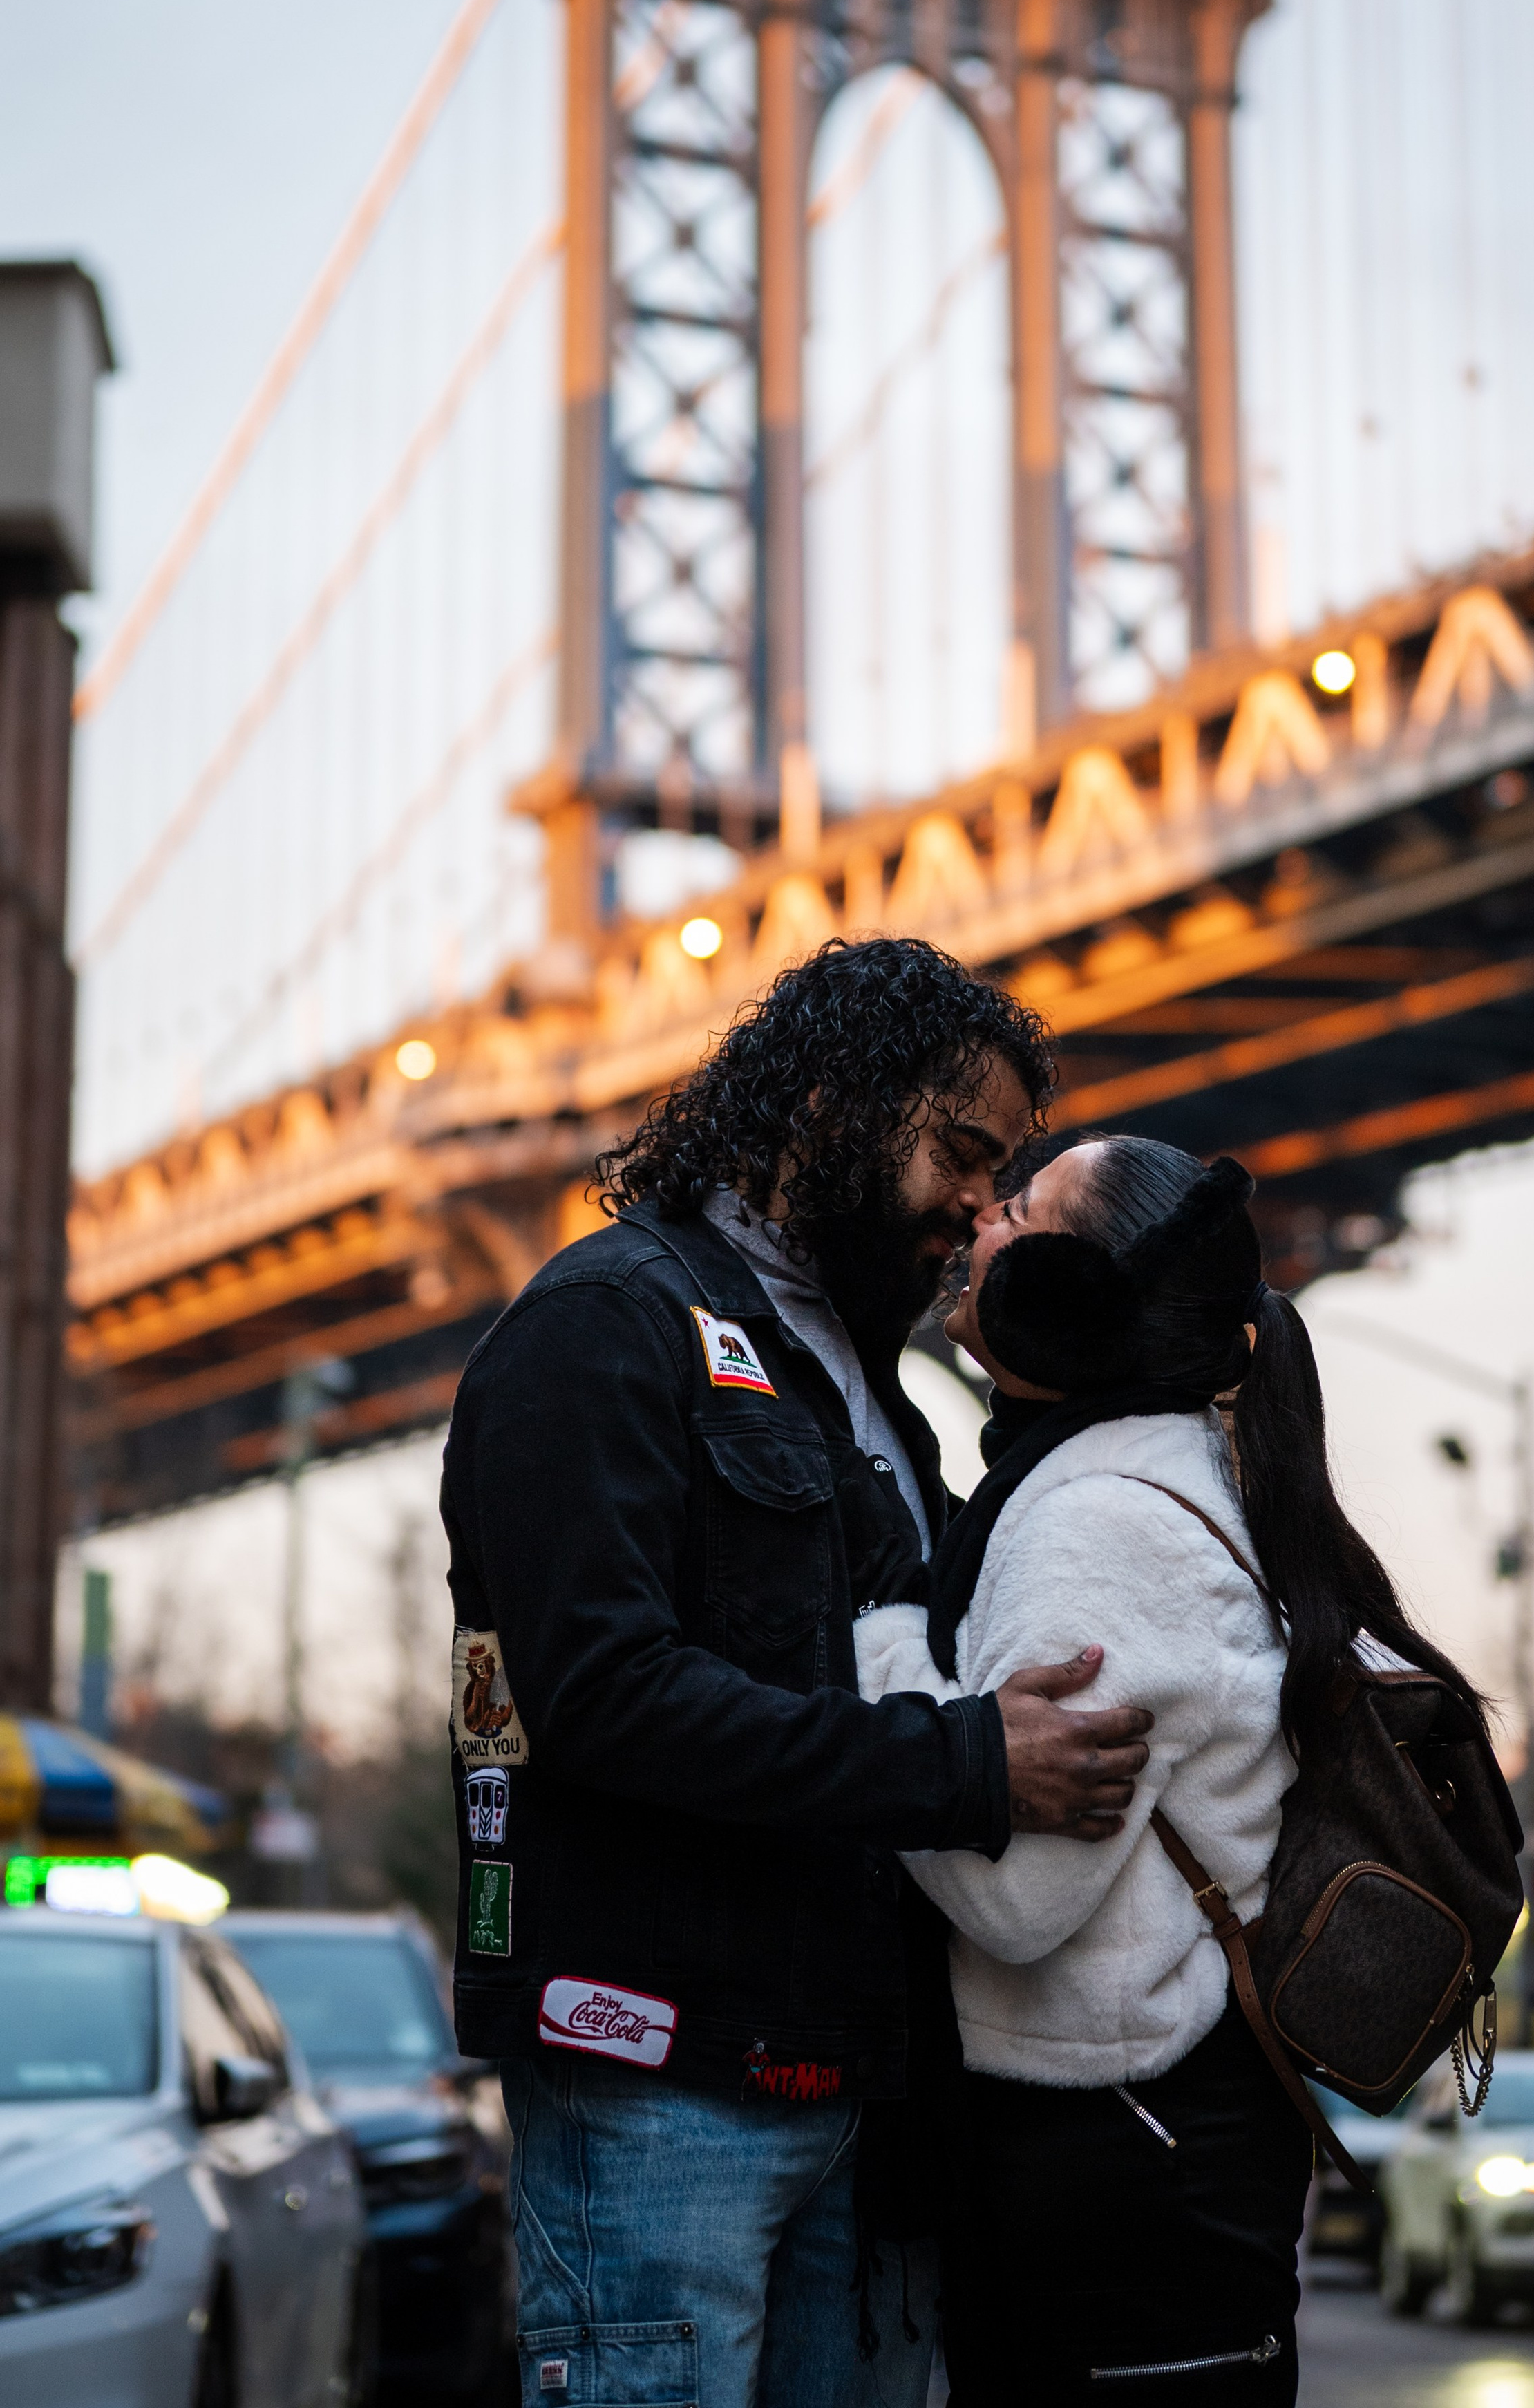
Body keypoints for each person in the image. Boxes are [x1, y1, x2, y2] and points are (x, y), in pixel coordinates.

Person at [438, 939, 1157, 2408]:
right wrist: (967, 1765)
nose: (982, 1209)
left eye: (1003, 1172)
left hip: (853, 2089)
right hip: (656, 2092)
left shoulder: (868, 1386)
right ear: (832, 1106)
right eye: (963, 1153)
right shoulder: (601, 1323)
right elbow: (600, 1696)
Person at [854, 1133, 1488, 2407]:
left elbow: (1018, 1901)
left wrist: (881, 1651)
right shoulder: (1156, 1479)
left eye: (1021, 1210)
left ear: (1078, 1296)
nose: (979, 1223)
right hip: (1157, 2152)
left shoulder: (1097, 1524)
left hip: (1120, 2159)